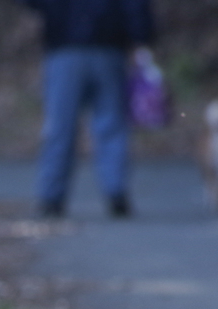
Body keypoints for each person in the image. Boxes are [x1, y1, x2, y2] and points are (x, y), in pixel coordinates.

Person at [20, 0, 155, 218]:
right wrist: (141, 36)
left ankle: (51, 197)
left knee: (60, 127)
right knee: (111, 125)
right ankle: (116, 192)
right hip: (108, 46)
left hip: (65, 46)